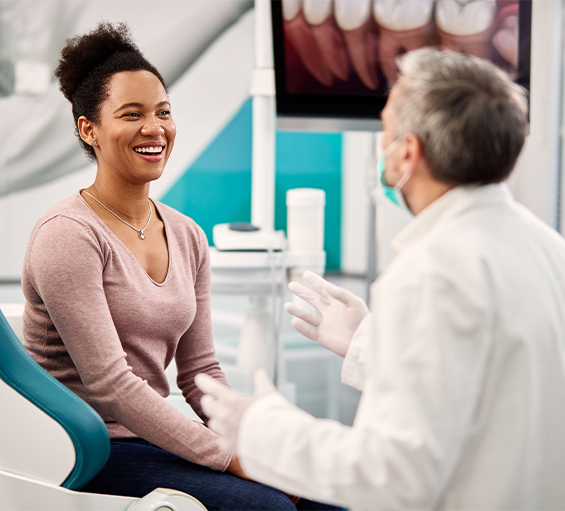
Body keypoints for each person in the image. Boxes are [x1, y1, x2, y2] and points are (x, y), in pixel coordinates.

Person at [196, 47, 565, 510]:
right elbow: (491, 388)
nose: (381, 148)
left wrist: (261, 429)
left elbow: (392, 473)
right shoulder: (548, 249)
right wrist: (370, 344)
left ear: (408, 153)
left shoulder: (431, 271)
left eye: (386, 131)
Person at [21, 21, 340, 511]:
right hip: (83, 448)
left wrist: (251, 438)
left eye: (163, 112)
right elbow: (111, 385)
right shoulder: (68, 235)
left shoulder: (187, 233)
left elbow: (200, 371)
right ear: (90, 129)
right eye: (132, 114)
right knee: (269, 508)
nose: (155, 128)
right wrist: (230, 457)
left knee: (329, 495)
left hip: (153, 437)